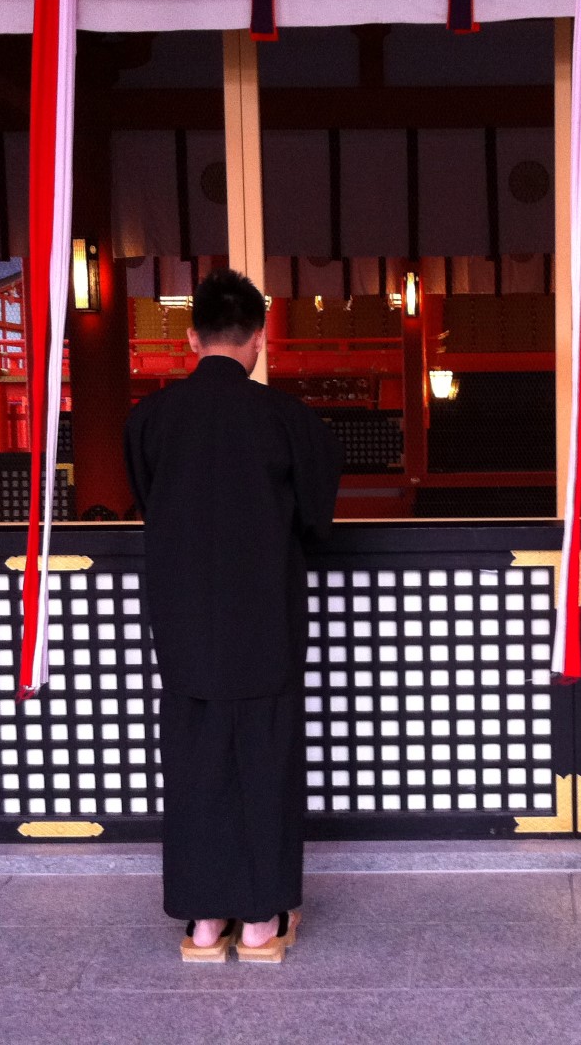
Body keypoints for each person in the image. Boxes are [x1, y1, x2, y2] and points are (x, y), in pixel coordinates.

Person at [124, 268, 342, 963]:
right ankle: (258, 927)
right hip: (265, 625)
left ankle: (203, 927)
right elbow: (316, 522)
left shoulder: (150, 420)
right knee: (265, 764)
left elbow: (148, 503)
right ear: (258, 339)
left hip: (185, 628)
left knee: (193, 768)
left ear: (192, 339)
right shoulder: (286, 420)